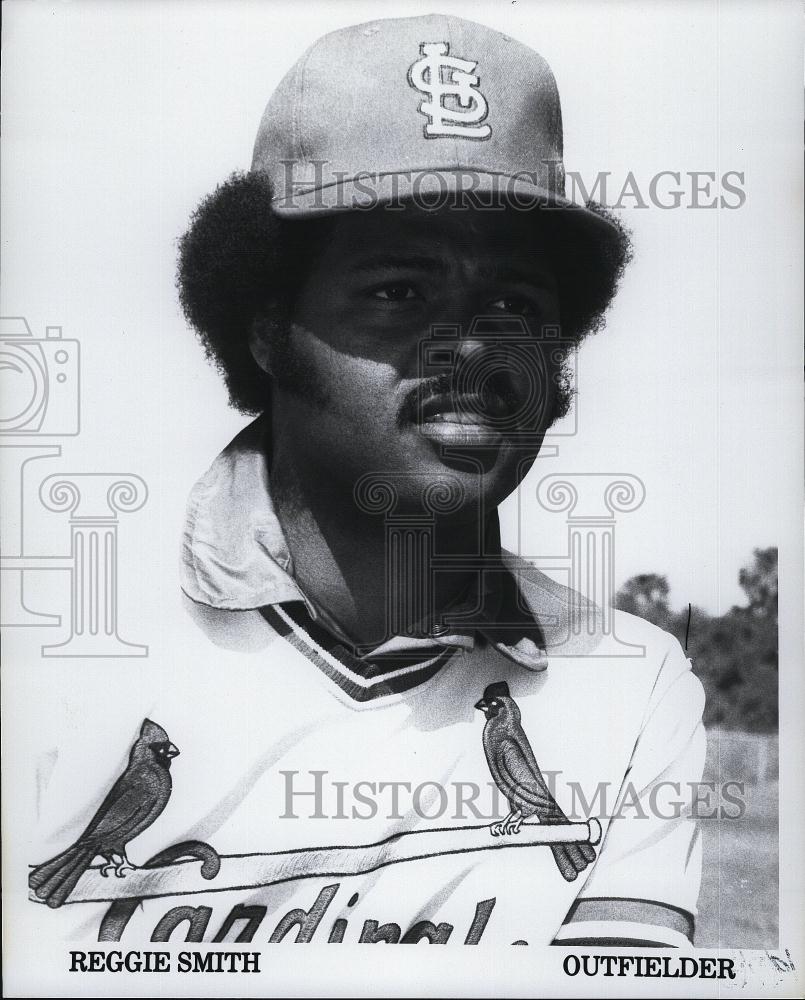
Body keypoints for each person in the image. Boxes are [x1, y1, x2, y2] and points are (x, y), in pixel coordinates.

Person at [29, 13, 706, 948]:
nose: (470, 348)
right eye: (398, 291)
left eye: (514, 304)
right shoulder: (47, 641)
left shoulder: (631, 687)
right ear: (265, 328)